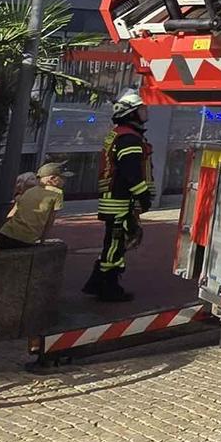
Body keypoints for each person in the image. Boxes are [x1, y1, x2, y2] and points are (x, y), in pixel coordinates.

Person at [89, 96, 151, 300]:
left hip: (114, 199)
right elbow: (131, 172)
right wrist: (143, 196)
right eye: (141, 109)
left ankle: (100, 283)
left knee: (114, 243)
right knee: (115, 244)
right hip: (120, 201)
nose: (145, 112)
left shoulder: (120, 135)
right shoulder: (129, 139)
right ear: (130, 112)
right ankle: (107, 288)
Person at [1, 161, 66, 245]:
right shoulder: (57, 193)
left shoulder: (29, 191)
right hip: (26, 237)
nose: (65, 181)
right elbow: (50, 220)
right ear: (52, 178)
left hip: (6, 231)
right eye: (63, 178)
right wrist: (42, 240)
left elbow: (12, 213)